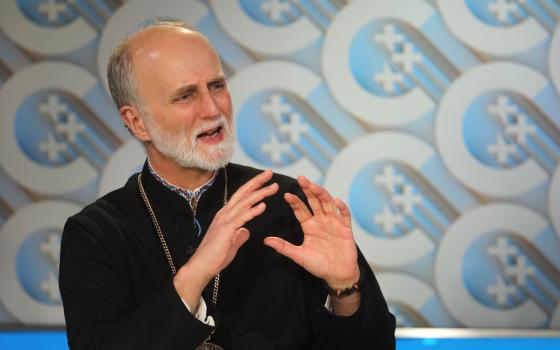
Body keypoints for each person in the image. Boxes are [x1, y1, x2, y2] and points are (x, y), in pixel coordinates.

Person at [59, 19, 395, 350]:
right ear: (137, 122)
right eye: (186, 95)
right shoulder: (95, 235)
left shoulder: (288, 203)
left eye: (216, 86)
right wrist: (198, 272)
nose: (212, 108)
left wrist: (345, 290)